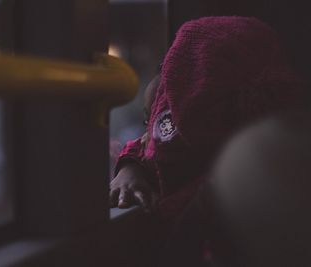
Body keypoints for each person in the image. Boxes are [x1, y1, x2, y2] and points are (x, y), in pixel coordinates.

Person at [109, 16, 306, 221]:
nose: (145, 139)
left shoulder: (210, 199)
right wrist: (129, 168)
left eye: (163, 124)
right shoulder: (199, 147)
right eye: (146, 123)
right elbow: (142, 148)